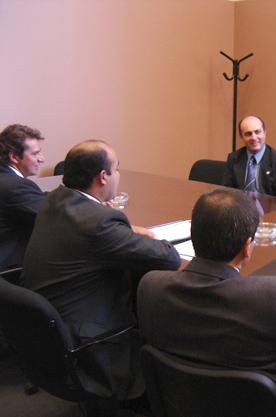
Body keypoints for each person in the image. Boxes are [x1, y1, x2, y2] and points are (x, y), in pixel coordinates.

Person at [137, 188, 276, 417]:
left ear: (194, 235)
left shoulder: (151, 286)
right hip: (263, 405)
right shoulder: (269, 298)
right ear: (248, 247)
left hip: (185, 403)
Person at [23, 140, 181, 401]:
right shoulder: (98, 223)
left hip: (48, 333)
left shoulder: (54, 200)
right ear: (103, 177)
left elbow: (91, 234)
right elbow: (169, 259)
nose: (118, 175)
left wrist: (124, 230)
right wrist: (148, 236)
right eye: (117, 169)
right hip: (91, 342)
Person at [0, 124, 46, 272]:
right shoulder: (16, 186)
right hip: (10, 270)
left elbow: (34, 200)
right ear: (14, 156)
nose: (42, 159)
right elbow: (51, 218)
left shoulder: (6, 180)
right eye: (35, 154)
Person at [222, 115, 276, 198]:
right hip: (239, 208)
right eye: (248, 134)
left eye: (257, 132)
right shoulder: (234, 158)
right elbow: (226, 191)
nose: (253, 137)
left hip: (268, 210)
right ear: (241, 137)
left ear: (264, 132)